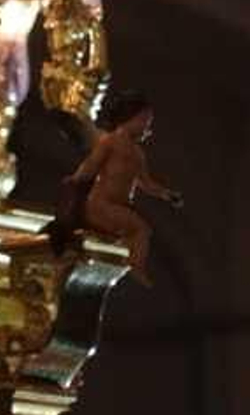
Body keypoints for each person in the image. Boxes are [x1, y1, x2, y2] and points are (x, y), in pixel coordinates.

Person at [65, 88, 183, 284]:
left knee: (136, 232)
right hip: (101, 205)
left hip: (117, 206)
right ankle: (134, 264)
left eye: (148, 122)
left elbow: (145, 182)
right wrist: (76, 180)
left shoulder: (137, 153)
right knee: (141, 230)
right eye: (144, 120)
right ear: (132, 118)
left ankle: (122, 261)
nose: (147, 126)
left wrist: (166, 194)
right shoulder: (110, 142)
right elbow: (92, 164)